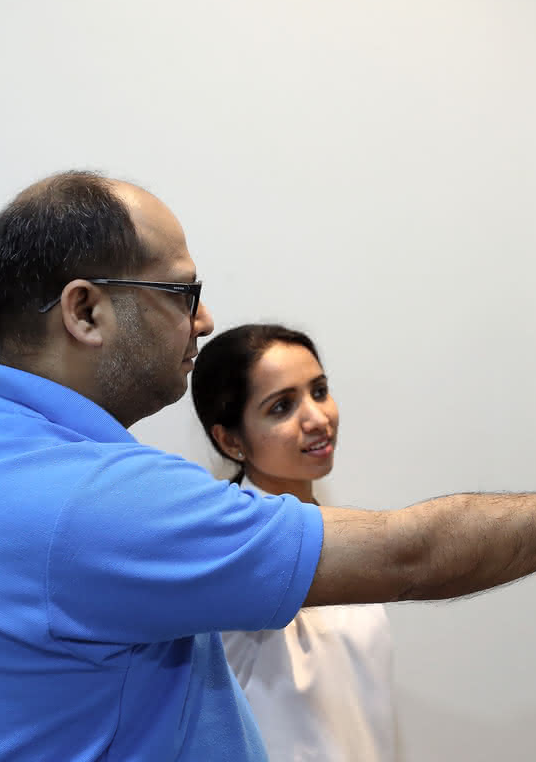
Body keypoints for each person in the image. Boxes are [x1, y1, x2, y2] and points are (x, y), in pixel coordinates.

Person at [0, 171, 536, 762]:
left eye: (318, 391)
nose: (203, 321)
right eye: (180, 293)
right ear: (84, 313)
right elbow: (413, 555)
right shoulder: (90, 503)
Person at [191, 323, 397, 761]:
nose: (318, 419)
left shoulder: (335, 530)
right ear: (230, 439)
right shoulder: (232, 548)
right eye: (282, 406)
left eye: (319, 391)